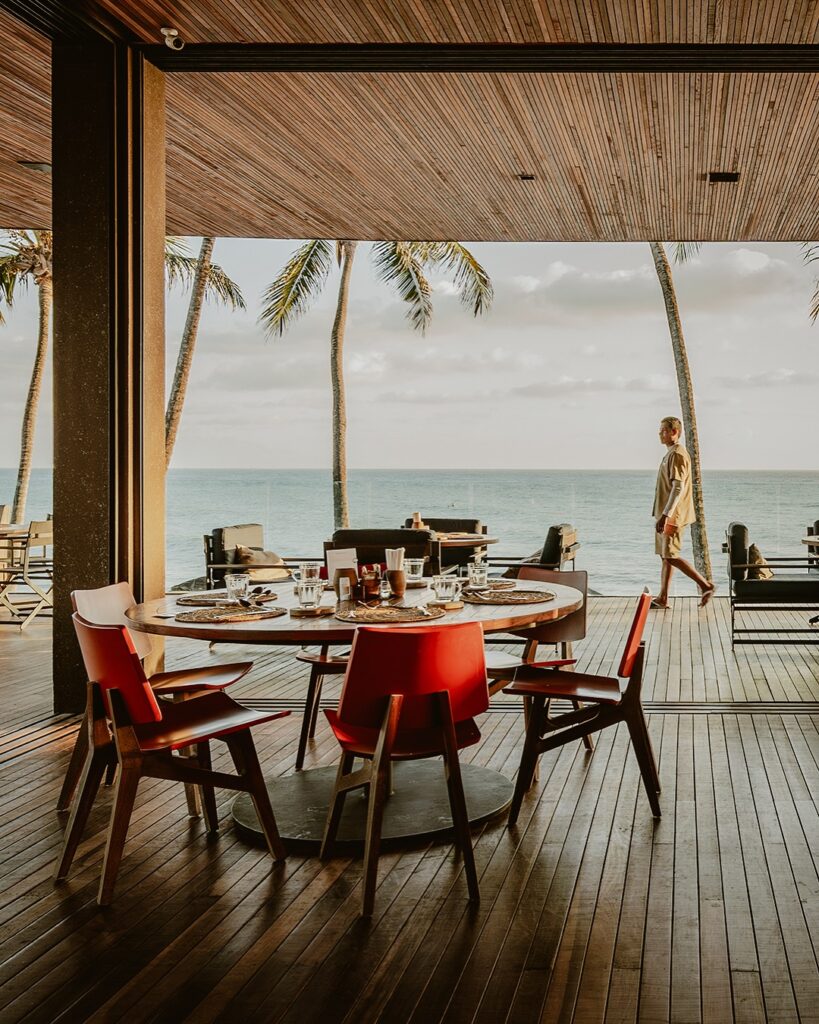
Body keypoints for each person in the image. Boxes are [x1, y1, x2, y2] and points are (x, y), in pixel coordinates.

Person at [652, 416, 714, 609]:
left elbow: (678, 487)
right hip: (668, 514)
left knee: (671, 555)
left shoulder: (678, 454)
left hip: (673, 516)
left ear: (674, 432)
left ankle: (706, 586)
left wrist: (666, 515)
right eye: (660, 430)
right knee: (666, 556)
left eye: (664, 430)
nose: (660, 433)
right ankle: (663, 598)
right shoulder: (671, 453)